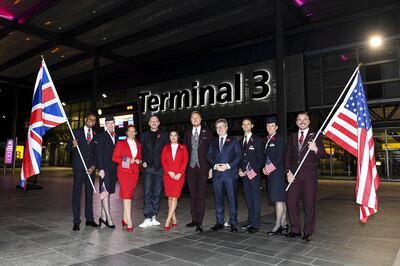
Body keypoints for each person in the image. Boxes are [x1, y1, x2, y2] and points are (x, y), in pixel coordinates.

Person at [285, 112, 326, 241]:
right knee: (291, 203)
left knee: (309, 204)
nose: (302, 121)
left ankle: (308, 231)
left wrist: (316, 149)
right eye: (299, 119)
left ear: (309, 121)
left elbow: (324, 154)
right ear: (296, 122)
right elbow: (287, 156)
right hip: (294, 176)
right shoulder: (291, 137)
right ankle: (295, 229)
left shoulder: (316, 136)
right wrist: (288, 172)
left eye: (305, 119)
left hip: (309, 176)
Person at [207, 118, 242, 232]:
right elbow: (209, 156)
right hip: (217, 175)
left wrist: (228, 165)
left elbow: (238, 156)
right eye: (217, 127)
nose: (220, 129)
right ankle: (219, 222)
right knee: (218, 199)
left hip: (230, 174)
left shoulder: (233, 141)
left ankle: (233, 222)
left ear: (226, 128)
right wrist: (215, 166)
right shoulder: (212, 142)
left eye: (222, 126)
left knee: (232, 199)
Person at [66, 113, 99, 231]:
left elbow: (96, 153)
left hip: (90, 170)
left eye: (94, 120)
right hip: (79, 168)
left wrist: (94, 166)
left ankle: (89, 219)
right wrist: (73, 145)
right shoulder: (76, 132)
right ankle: (76, 221)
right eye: (90, 119)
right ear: (86, 119)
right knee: (77, 195)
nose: (92, 121)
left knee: (89, 195)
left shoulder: (95, 135)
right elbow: (67, 148)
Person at [183, 111, 213, 232]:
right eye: (192, 118)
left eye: (197, 118)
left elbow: (211, 151)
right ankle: (194, 219)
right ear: (190, 120)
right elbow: (185, 152)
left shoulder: (208, 133)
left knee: (201, 195)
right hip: (190, 169)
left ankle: (200, 221)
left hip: (203, 168)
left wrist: (211, 167)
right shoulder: (187, 133)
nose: (195, 120)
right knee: (193, 195)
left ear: (201, 119)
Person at [139, 115, 168, 228]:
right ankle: (147, 217)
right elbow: (140, 149)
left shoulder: (164, 135)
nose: (154, 123)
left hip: (160, 168)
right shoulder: (144, 135)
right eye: (152, 121)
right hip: (148, 167)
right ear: (149, 123)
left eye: (156, 121)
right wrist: (143, 161)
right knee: (147, 192)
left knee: (157, 192)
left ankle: (154, 215)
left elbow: (166, 151)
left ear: (159, 123)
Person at [112, 125, 142, 232]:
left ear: (135, 133)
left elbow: (139, 158)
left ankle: (124, 218)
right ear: (126, 132)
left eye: (133, 131)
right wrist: (129, 160)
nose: (131, 133)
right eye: (130, 131)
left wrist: (139, 161)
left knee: (128, 195)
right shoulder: (121, 143)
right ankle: (129, 221)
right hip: (124, 173)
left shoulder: (138, 145)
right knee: (127, 196)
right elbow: (115, 157)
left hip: (134, 173)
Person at [262, 116, 288, 236]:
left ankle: (277, 225)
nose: (270, 128)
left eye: (272, 126)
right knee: (281, 200)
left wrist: (268, 168)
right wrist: (264, 167)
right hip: (272, 174)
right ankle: (284, 224)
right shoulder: (269, 139)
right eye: (268, 126)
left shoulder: (279, 139)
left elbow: (278, 158)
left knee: (278, 199)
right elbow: (266, 157)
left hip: (277, 173)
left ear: (276, 127)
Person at [238, 118, 264, 233]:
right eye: (244, 124)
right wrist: (239, 169)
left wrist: (252, 170)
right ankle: (250, 221)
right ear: (242, 126)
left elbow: (261, 158)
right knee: (248, 199)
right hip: (244, 175)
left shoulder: (257, 140)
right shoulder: (240, 141)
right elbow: (239, 157)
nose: (246, 126)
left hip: (254, 175)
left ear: (252, 126)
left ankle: (255, 224)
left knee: (255, 199)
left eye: (248, 124)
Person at [161, 130, 189, 231]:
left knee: (174, 197)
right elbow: (163, 161)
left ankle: (168, 220)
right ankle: (174, 218)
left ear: (178, 137)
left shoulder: (183, 148)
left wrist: (179, 173)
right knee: (169, 197)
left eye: (175, 135)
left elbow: (185, 161)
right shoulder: (165, 147)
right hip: (168, 176)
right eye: (171, 135)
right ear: (169, 137)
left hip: (178, 176)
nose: (173, 137)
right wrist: (169, 172)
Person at [96, 115, 118, 229]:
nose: (110, 125)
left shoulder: (116, 137)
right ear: (105, 125)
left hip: (113, 169)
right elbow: (99, 154)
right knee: (105, 192)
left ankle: (102, 216)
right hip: (105, 169)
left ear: (114, 124)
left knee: (108, 192)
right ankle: (109, 218)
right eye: (108, 123)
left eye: (112, 123)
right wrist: (101, 169)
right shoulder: (101, 136)